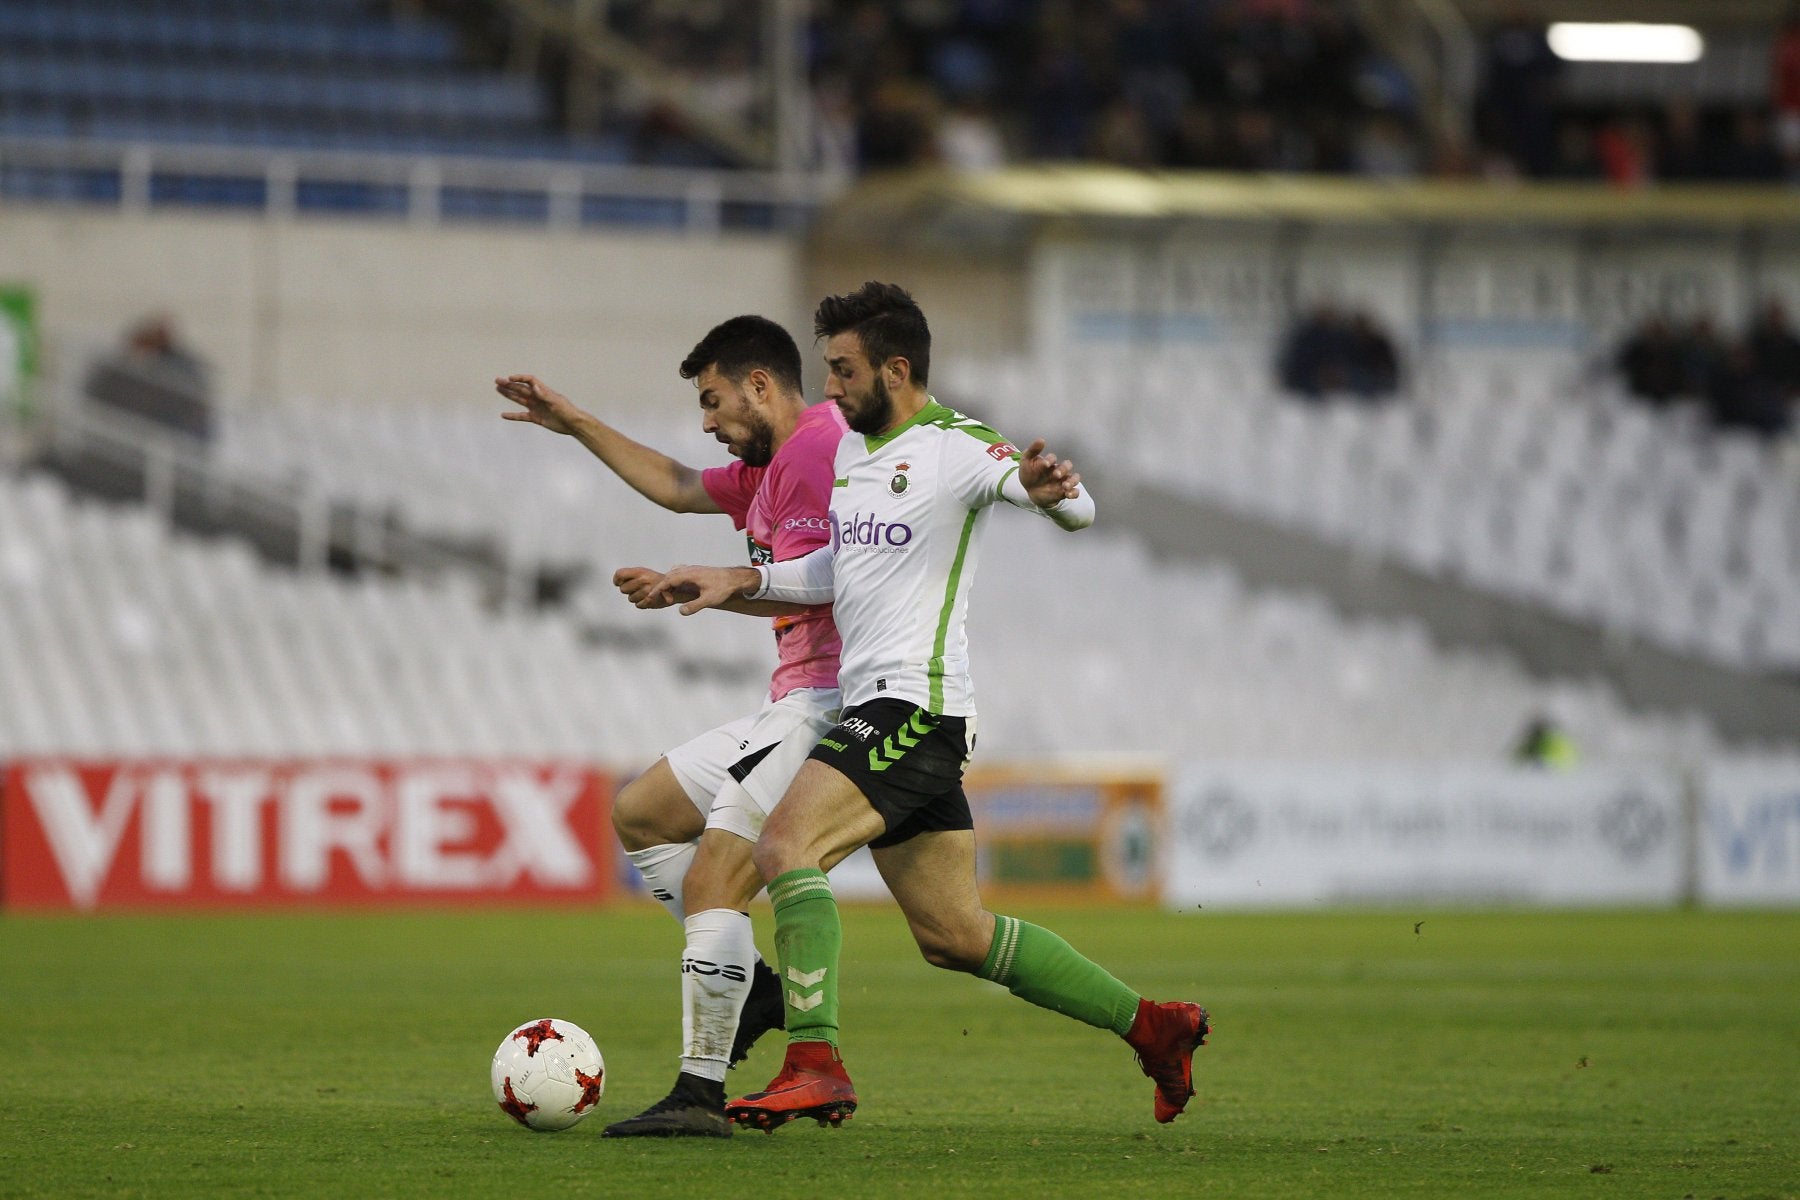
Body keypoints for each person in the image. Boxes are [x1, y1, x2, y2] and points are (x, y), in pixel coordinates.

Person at [643, 282, 1210, 1131]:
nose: (829, 389)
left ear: (895, 369)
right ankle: (1153, 1026)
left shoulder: (953, 445)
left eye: (842, 370)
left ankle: (814, 1060)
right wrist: (740, 580)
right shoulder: (854, 458)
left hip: (917, 705)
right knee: (956, 936)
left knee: (786, 843)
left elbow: (1068, 503)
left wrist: (1050, 490)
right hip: (881, 709)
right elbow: (836, 575)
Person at [495, 315, 850, 1137]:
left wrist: (713, 583)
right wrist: (576, 422)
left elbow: (822, 585)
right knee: (643, 810)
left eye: (715, 400)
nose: (708, 423)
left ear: (761, 385)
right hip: (791, 697)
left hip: (829, 700)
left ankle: (698, 1094)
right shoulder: (770, 465)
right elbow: (681, 485)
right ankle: (754, 987)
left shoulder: (814, 449)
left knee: (713, 881)